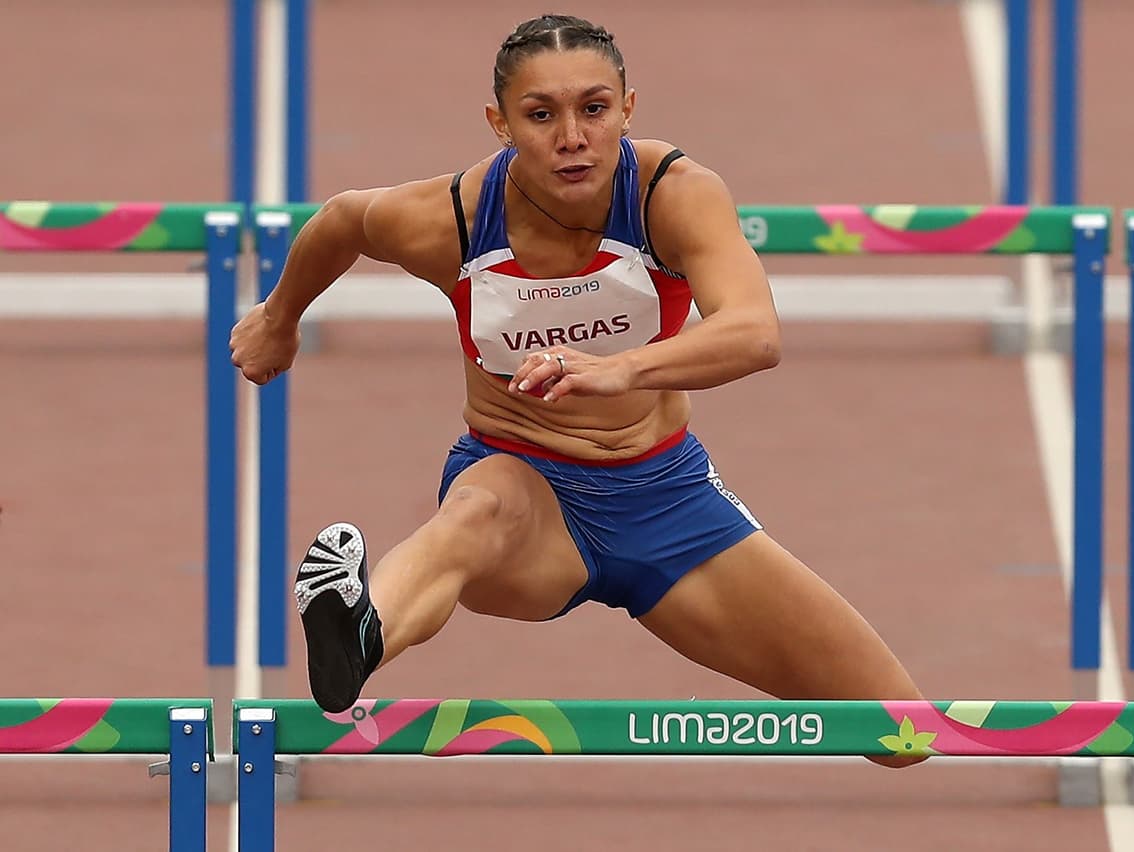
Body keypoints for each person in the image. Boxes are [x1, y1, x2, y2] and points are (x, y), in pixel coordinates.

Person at [230, 13, 924, 767]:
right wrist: (278, 318)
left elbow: (755, 333)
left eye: (594, 109)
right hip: (530, 495)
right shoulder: (454, 221)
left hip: (669, 504)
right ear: (500, 124)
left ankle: (370, 626)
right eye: (540, 115)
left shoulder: (671, 195)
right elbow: (343, 220)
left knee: (901, 734)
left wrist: (622, 368)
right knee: (475, 510)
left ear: (628, 109)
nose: (572, 138)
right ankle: (363, 633)